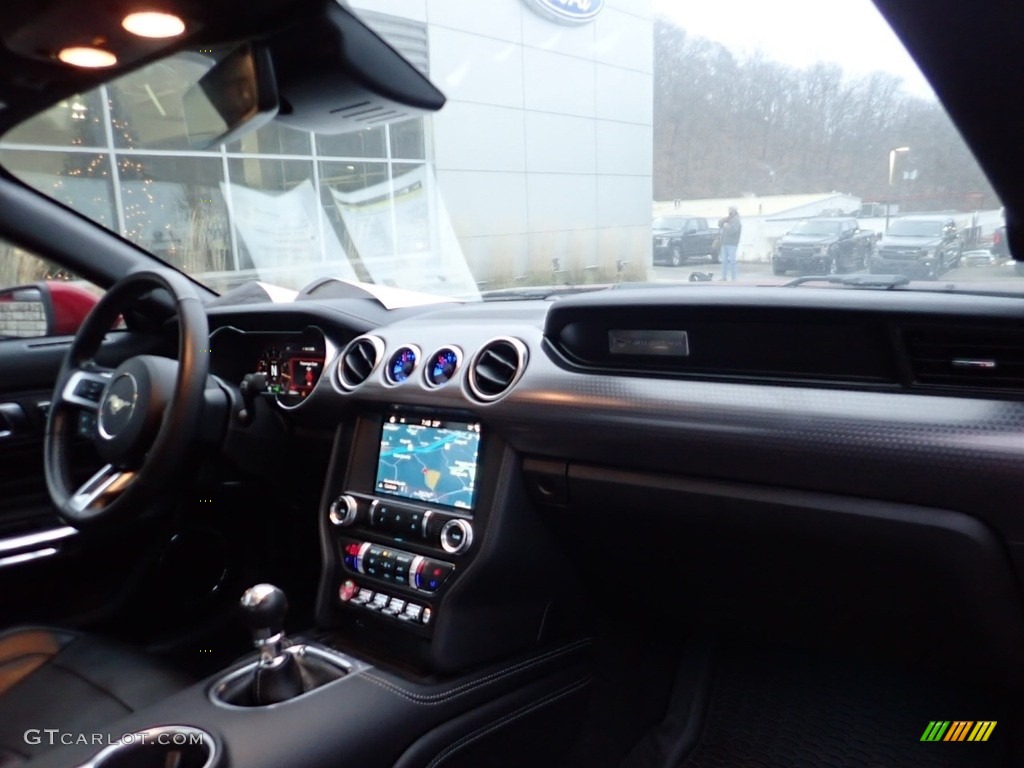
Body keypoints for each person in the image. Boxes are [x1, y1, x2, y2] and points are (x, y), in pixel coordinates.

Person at [718, 205, 741, 281]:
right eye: (729, 210)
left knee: (732, 261)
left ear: (735, 211)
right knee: (724, 261)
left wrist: (727, 226)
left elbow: (733, 231)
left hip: (732, 243)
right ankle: (723, 277)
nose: (730, 211)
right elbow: (719, 224)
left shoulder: (737, 220)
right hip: (724, 243)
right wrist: (723, 220)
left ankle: (734, 277)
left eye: (731, 210)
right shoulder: (727, 219)